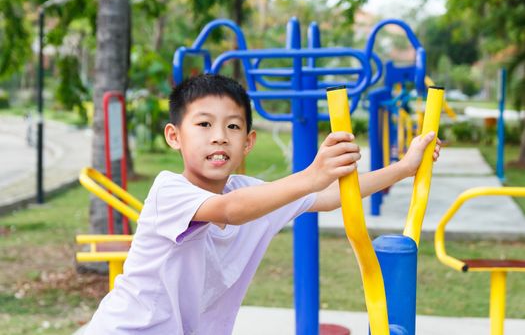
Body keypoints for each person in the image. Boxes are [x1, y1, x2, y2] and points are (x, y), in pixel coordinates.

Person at [84, 74, 441, 334]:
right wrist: (312, 175)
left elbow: (333, 197)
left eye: (233, 127)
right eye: (204, 124)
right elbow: (229, 211)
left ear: (249, 142)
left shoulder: (251, 192)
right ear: (174, 136)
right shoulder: (169, 192)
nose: (219, 136)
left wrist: (404, 168)